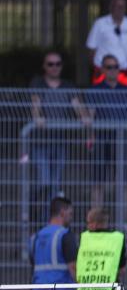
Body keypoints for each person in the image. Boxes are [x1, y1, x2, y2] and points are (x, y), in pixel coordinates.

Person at [29, 52, 91, 221]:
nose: (54, 67)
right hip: (40, 142)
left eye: (57, 64)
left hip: (59, 141)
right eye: (50, 64)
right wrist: (38, 117)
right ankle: (32, 208)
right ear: (44, 66)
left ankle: (46, 221)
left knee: (54, 184)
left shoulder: (67, 86)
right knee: (44, 181)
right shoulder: (38, 84)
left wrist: (84, 117)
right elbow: (35, 105)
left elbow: (78, 106)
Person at [86, 55, 127, 212]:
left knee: (122, 181)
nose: (112, 70)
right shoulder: (94, 90)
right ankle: (96, 223)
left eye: (115, 67)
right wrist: (90, 137)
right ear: (102, 69)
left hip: (122, 140)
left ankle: (123, 221)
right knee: (98, 181)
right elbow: (90, 116)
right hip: (102, 138)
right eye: (109, 67)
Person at [86, 0, 127, 89]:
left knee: (126, 101)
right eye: (117, 6)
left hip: (124, 72)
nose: (120, 9)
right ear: (111, 7)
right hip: (103, 73)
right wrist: (97, 68)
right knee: (99, 101)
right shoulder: (100, 23)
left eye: (123, 6)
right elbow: (91, 49)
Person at [76, 207, 126, 290]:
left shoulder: (84, 238)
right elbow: (122, 270)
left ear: (94, 224)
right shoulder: (117, 239)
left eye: (88, 222)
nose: (87, 226)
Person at [30, 197, 78, 285]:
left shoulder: (36, 237)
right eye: (70, 214)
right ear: (62, 212)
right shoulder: (65, 235)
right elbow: (73, 267)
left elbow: (33, 266)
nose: (71, 218)